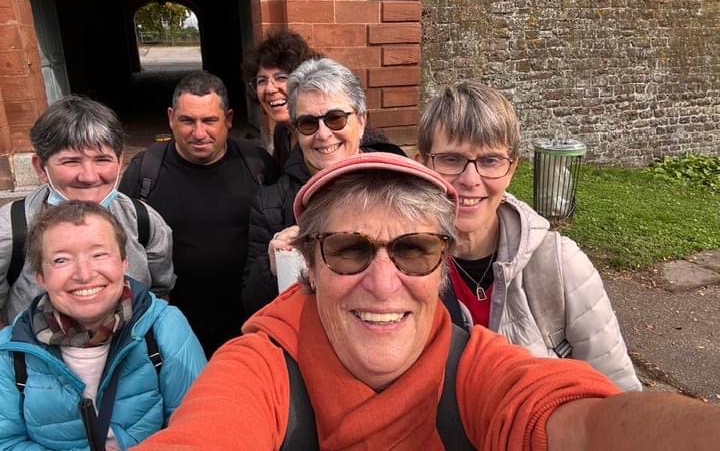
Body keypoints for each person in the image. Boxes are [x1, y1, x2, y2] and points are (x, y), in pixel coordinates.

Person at [136, 153, 720, 450]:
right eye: (348, 249)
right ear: (309, 264)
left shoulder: (474, 368)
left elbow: (589, 427)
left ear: (443, 267)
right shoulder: (260, 362)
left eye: (414, 251)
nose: (384, 283)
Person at [416, 81, 641, 391]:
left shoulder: (560, 266)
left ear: (512, 169)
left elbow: (618, 393)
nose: (470, 179)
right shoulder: (401, 264)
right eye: (451, 159)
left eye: (490, 160)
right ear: (422, 163)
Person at [0, 201, 206, 449]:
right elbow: (7, 441)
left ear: (124, 262)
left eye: (99, 254)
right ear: (41, 278)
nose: (84, 274)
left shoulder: (164, 329)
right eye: (61, 260)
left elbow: (197, 425)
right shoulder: (11, 352)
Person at [119, 71, 278, 356]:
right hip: (173, 332)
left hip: (248, 326)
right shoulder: (146, 171)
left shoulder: (257, 164)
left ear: (228, 119)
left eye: (209, 121)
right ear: (171, 118)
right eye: (187, 121)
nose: (199, 133)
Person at [241, 58, 404, 317]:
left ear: (361, 121)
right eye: (308, 123)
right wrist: (270, 267)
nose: (323, 133)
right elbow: (251, 305)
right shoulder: (270, 204)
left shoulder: (402, 183)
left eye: (335, 118)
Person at [0, 95, 175, 327]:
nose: (89, 176)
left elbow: (160, 292)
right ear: (40, 167)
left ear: (120, 160)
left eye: (102, 159)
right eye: (71, 161)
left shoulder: (143, 221)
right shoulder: (10, 230)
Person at [244, 30, 321, 166]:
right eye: (262, 80)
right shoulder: (282, 131)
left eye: (281, 78)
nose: (269, 89)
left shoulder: (323, 134)